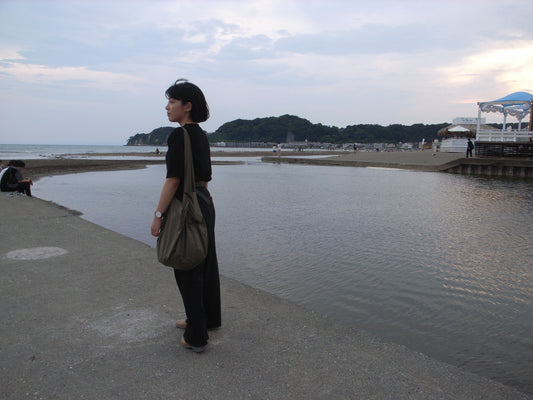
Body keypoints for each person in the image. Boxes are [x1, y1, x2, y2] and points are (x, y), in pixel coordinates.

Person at [151, 79, 221, 353]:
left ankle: (196, 336)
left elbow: (173, 180)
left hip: (187, 204)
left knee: (186, 264)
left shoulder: (179, 136)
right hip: (204, 201)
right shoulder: (201, 135)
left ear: (187, 106)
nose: (167, 107)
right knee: (205, 261)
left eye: (172, 102)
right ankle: (206, 319)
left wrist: (158, 215)